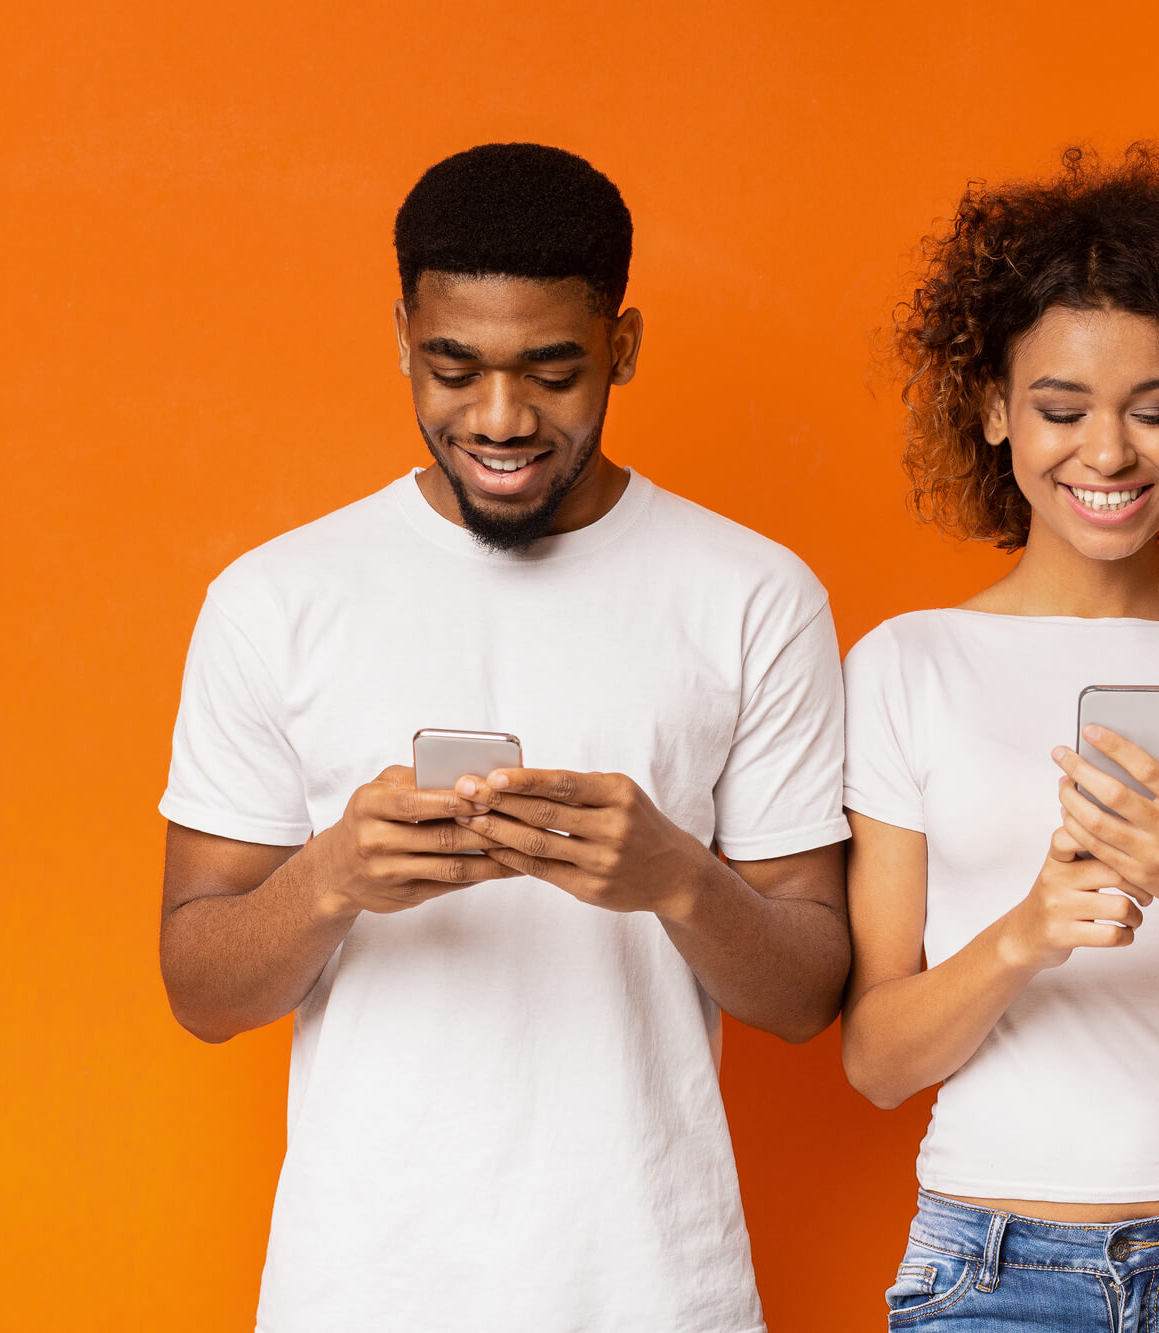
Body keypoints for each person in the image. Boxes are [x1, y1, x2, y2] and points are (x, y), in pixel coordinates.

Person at [157, 142, 850, 1333]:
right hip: (357, 1287)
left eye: (552, 371)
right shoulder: (276, 597)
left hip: (652, 1284)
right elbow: (200, 986)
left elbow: (804, 993)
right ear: (400, 339)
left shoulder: (751, 593)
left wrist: (675, 878)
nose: (499, 418)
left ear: (622, 346)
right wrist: (331, 878)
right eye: (453, 368)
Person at [840, 146, 1159, 1330]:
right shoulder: (907, 666)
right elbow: (875, 1059)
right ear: (992, 411)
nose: (1109, 454)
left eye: (1154, 409)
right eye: (1060, 410)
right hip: (984, 1263)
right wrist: (1025, 934)